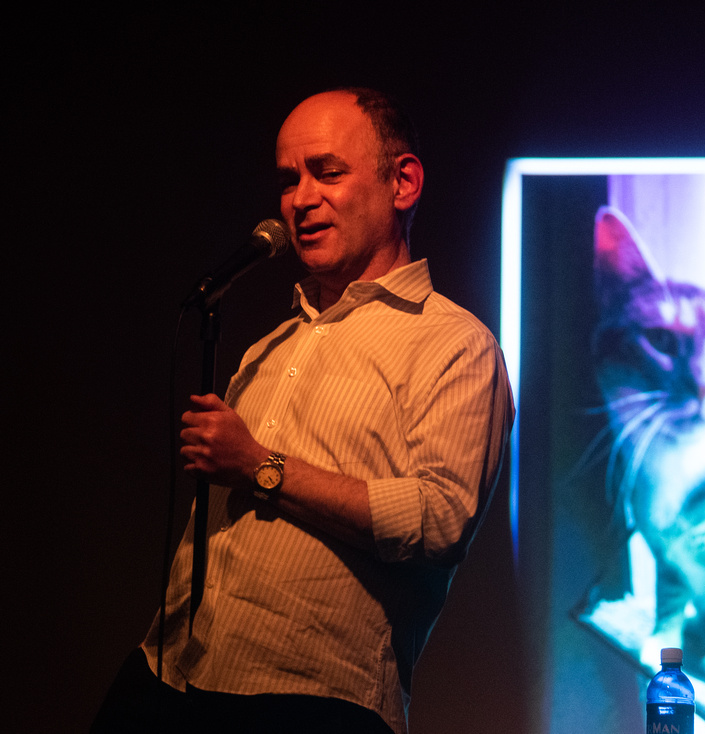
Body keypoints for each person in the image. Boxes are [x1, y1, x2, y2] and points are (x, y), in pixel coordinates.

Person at [92, 88, 514, 734]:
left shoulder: (455, 345)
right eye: (289, 179)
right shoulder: (269, 347)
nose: (300, 199)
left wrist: (261, 465)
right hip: (166, 673)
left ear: (403, 183)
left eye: (328, 172)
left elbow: (439, 523)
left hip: (313, 702)